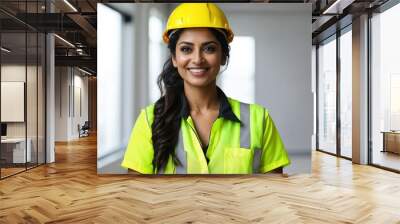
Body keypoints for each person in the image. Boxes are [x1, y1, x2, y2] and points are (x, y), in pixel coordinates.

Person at [121, 3, 290, 174]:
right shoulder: (149, 121)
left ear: (223, 56)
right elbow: (136, 195)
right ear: (174, 58)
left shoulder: (259, 120)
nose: (197, 59)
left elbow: (274, 194)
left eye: (209, 48)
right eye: (186, 49)